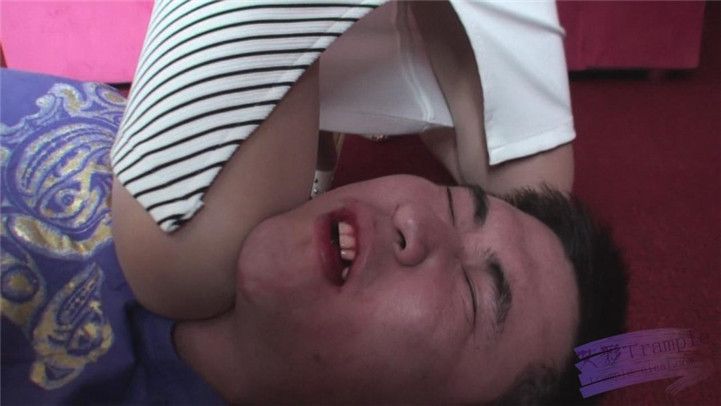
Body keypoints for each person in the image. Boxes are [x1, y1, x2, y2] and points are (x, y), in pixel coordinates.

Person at [1, 1, 627, 404]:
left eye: (472, 295)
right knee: (534, 177)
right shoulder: (262, 190)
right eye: (456, 205)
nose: (416, 219)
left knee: (184, 259)